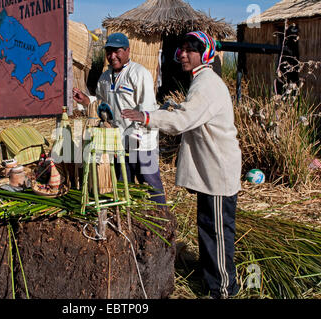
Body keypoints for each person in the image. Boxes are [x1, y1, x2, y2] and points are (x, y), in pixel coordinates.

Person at [121, 31, 242, 299]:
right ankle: (211, 275)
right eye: (183, 49)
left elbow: (182, 122)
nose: (184, 54)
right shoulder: (200, 81)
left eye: (191, 50)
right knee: (207, 226)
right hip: (211, 169)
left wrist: (146, 116)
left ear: (205, 54)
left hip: (219, 171)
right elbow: (191, 114)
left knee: (217, 232)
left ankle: (223, 290)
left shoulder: (207, 84)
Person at [73, 32, 166, 205]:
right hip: (118, 141)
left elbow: (148, 108)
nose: (112, 56)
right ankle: (131, 220)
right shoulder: (104, 78)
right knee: (124, 184)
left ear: (128, 51)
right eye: (109, 52)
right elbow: (102, 105)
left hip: (141, 141)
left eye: (117, 51)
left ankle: (161, 215)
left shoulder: (139, 73)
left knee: (150, 183)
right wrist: (87, 101)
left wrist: (138, 135)